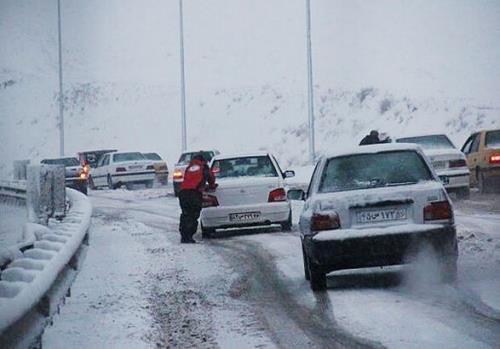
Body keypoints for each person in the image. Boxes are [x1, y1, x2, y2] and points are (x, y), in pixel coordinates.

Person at [178, 153, 216, 243]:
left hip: (183, 193)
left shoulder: (189, 167)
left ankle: (184, 235)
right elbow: (211, 179)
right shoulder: (204, 167)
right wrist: (212, 186)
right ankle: (189, 236)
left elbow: (190, 180)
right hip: (194, 194)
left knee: (185, 214)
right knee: (193, 215)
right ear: (203, 160)